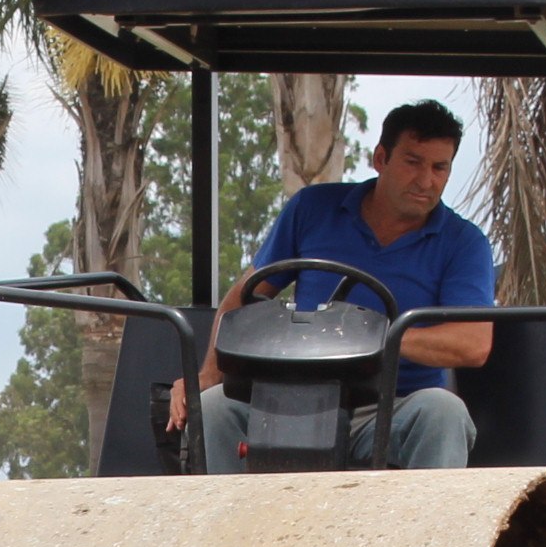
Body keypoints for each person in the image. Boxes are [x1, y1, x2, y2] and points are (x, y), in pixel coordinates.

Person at [172, 99, 493, 472]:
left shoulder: (463, 242)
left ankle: (433, 531)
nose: (426, 181)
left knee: (445, 411)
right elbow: (247, 294)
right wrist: (209, 373)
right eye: (413, 162)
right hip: (293, 401)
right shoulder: (313, 208)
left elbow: (473, 344)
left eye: (440, 167)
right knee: (212, 408)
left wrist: (369, 337)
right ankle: (225, 526)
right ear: (380, 158)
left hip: (393, 406)